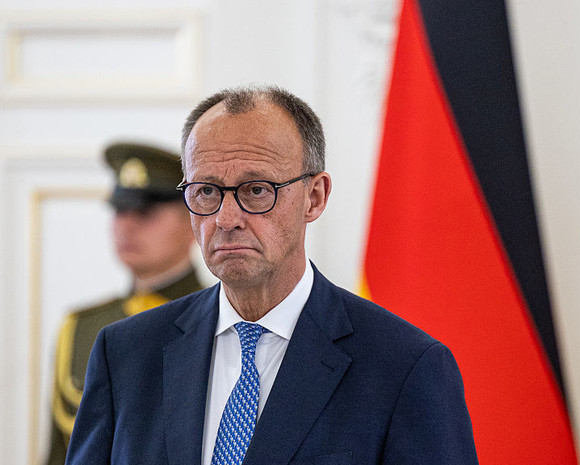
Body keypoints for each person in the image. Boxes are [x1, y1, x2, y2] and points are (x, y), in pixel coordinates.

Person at [66, 85, 478, 464]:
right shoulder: (125, 355)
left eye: (257, 190)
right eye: (206, 191)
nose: (226, 218)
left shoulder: (405, 366)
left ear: (314, 198)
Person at [46, 143, 204, 465]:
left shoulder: (224, 320)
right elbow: (59, 454)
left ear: (193, 221)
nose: (126, 226)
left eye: (145, 213)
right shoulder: (83, 327)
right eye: (120, 210)